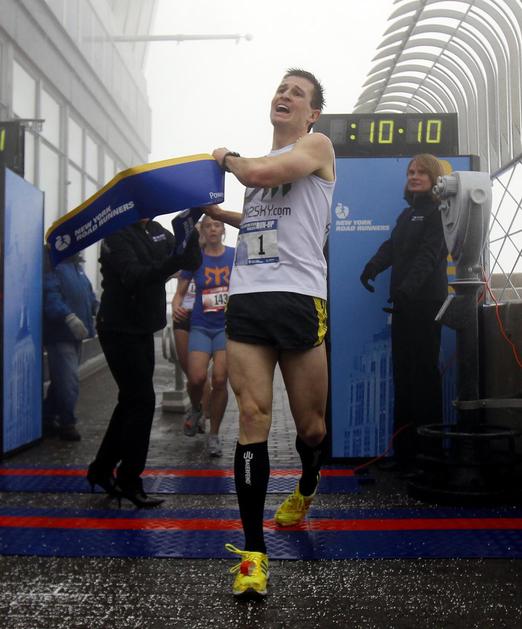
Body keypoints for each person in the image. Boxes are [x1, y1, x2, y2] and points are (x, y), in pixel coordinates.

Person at [204, 68, 335, 597]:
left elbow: (257, 173)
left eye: (297, 93)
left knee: (312, 429)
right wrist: (220, 213)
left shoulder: (316, 147)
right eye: (281, 89)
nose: (285, 95)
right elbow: (262, 219)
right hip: (249, 301)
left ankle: (307, 482)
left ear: (312, 113)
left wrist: (225, 158)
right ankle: (253, 555)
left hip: (300, 300)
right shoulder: (263, 168)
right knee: (253, 417)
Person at [87, 219, 201, 508]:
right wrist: (174, 260)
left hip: (143, 327)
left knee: (130, 402)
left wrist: (189, 232)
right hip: (118, 328)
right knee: (142, 401)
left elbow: (190, 262)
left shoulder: (157, 231)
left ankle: (101, 469)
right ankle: (128, 479)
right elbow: (134, 275)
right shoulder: (115, 234)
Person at [360, 154, 447, 478]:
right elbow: (392, 247)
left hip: (425, 305)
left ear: (434, 178)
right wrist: (373, 266)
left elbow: (429, 256)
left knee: (424, 379)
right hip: (404, 306)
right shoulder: (407, 214)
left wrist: (408, 289)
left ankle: (430, 457)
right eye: (411, 171)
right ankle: (405, 454)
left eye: (421, 172)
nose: (414, 176)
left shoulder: (439, 213)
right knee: (404, 379)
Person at [172, 216, 234, 456]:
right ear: (203, 231)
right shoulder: (195, 258)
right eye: (208, 225)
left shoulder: (234, 256)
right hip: (200, 325)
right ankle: (197, 409)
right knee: (196, 378)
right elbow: (180, 293)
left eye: (217, 225)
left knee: (219, 379)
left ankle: (214, 435)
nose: (212, 229)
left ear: (223, 229)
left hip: (225, 328)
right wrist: (176, 306)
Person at [43, 251, 98, 441]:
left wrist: (97, 307)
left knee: (61, 381)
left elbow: (89, 295)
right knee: (69, 382)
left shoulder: (77, 268)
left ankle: (47, 418)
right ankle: (67, 424)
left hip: (76, 335)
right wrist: (68, 317)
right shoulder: (53, 268)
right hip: (60, 335)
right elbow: (51, 299)